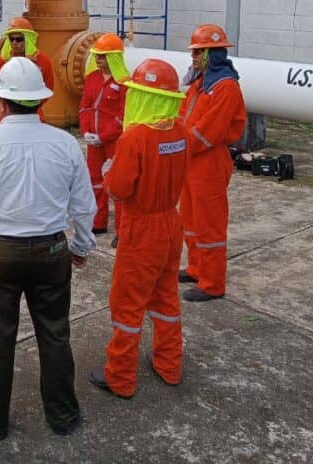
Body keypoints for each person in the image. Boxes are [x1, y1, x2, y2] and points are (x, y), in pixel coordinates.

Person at [0, 57, 97, 441]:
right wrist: (80, 245)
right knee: (55, 334)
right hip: (51, 253)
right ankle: (62, 416)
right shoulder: (65, 145)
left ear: (2, 102)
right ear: (41, 102)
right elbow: (84, 205)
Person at [88, 59, 189, 398]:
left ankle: (119, 377)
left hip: (141, 230)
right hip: (171, 224)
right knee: (165, 299)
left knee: (127, 305)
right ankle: (169, 365)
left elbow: (118, 188)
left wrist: (107, 170)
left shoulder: (135, 138)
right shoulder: (181, 132)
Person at [178, 24, 247, 302]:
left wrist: (180, 145)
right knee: (190, 220)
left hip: (209, 162)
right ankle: (196, 268)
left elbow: (209, 131)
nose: (193, 57)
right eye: (193, 52)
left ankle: (212, 283)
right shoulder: (199, 83)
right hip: (191, 161)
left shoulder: (225, 87)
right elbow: (183, 115)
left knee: (209, 224)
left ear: (213, 53)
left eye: (199, 52)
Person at [78, 33, 129, 235]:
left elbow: (123, 115)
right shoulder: (92, 78)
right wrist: (87, 131)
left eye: (103, 56)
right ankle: (98, 222)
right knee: (95, 181)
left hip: (113, 141)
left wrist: (104, 136)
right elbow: (84, 106)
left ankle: (121, 230)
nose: (98, 60)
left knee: (116, 184)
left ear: (113, 58)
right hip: (94, 140)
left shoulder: (125, 83)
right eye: (97, 56)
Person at [0, 16, 55, 127]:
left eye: (19, 39)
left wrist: (30, 105)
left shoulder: (43, 61)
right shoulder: (2, 61)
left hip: (33, 111)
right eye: (11, 39)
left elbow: (49, 88)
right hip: (5, 111)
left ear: (28, 39)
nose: (15, 43)